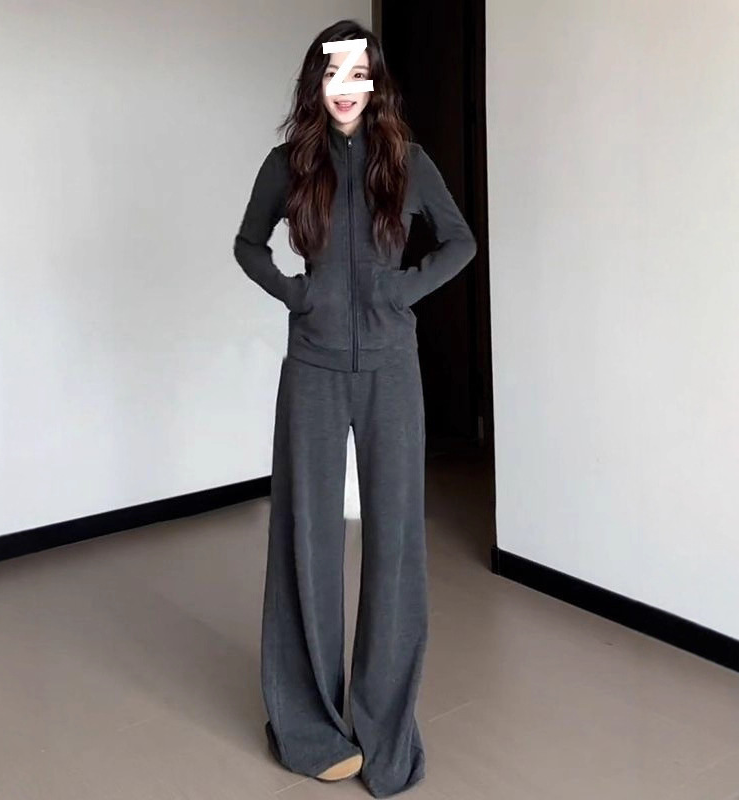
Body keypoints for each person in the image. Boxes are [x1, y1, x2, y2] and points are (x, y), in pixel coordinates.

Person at [232, 18, 477, 798]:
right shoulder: (289, 165)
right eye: (333, 73)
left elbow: (460, 242)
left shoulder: (407, 162)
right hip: (313, 368)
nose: (346, 88)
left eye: (359, 74)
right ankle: (307, 725)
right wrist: (297, 295)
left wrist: (399, 291)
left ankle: (384, 724)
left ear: (375, 84)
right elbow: (247, 244)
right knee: (306, 538)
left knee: (396, 545)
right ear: (318, 82)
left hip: (391, 371)